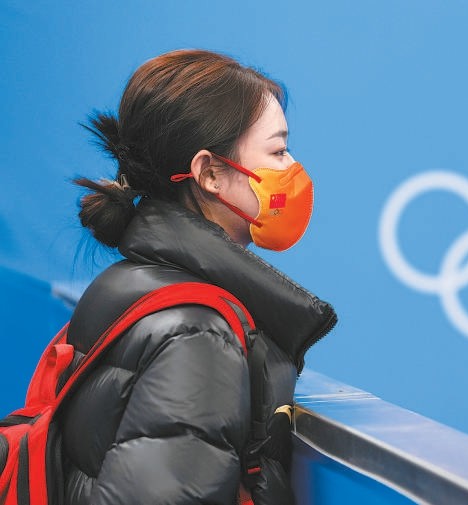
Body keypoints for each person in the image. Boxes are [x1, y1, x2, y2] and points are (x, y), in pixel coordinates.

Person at [61, 49, 337, 504]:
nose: (293, 170)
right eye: (278, 150)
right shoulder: (198, 332)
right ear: (210, 173)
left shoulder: (128, 281)